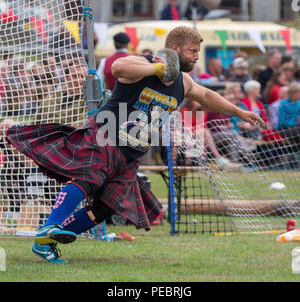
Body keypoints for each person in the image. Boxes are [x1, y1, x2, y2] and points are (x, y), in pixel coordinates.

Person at [5, 26, 264, 264]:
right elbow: (119, 67)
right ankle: (51, 224)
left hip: (132, 152)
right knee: (89, 179)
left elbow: (206, 95)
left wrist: (239, 112)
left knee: (106, 206)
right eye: (192, 51)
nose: (197, 56)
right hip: (106, 135)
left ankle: (48, 240)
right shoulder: (144, 64)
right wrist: (159, 68)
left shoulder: (183, 82)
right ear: (175, 49)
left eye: (198, 51)